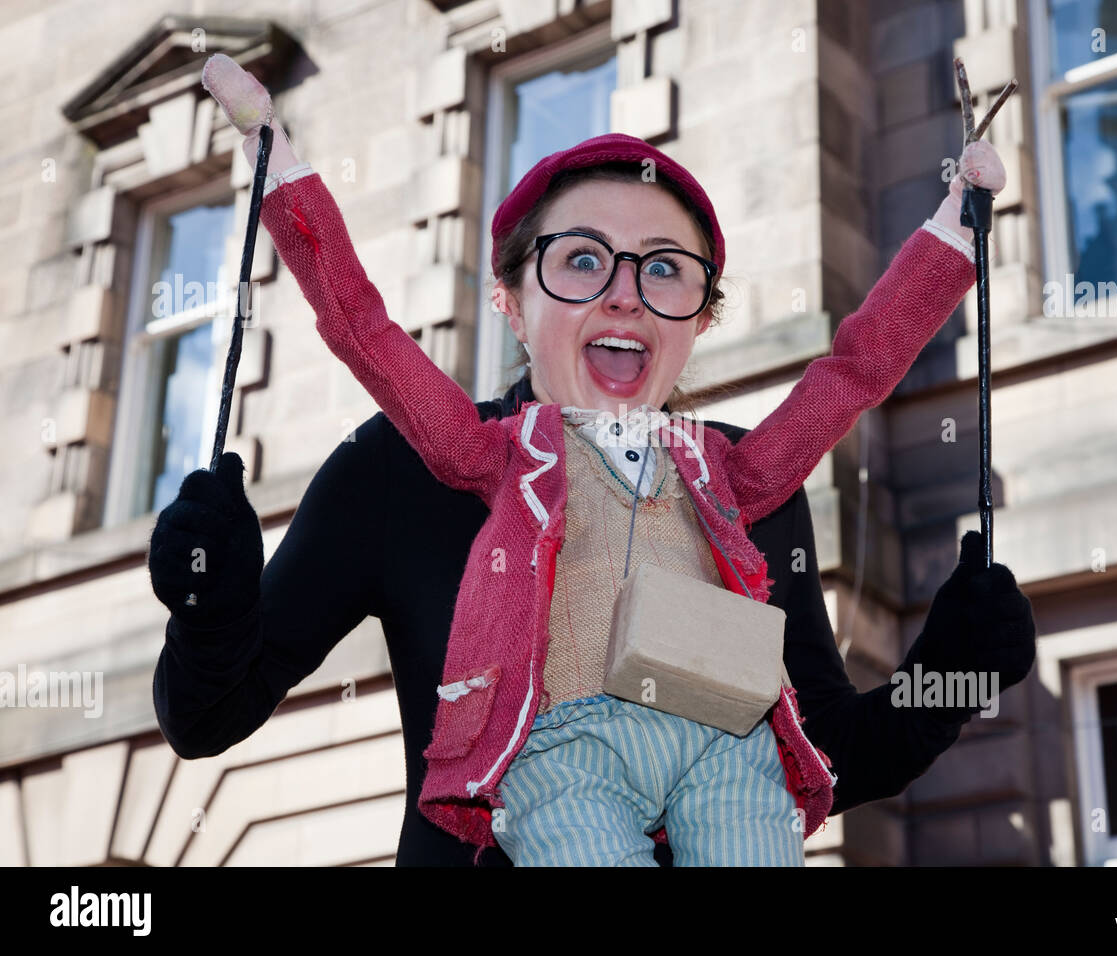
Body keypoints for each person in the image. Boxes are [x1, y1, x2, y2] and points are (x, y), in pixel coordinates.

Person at [148, 53, 1036, 867]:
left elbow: (821, 748)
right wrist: (208, 604)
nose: (625, 294)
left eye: (663, 270)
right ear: (509, 296)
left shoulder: (736, 489)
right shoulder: (405, 467)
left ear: (701, 316)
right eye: (581, 261)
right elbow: (207, 716)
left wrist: (945, 677)